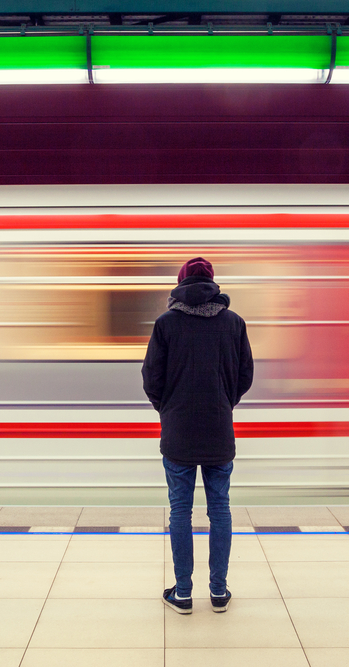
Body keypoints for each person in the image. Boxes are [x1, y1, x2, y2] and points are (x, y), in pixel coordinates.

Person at [142, 257, 253, 614]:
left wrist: (168, 409)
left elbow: (151, 378)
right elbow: (245, 375)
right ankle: (218, 592)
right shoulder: (234, 323)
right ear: (213, 284)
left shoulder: (166, 324)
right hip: (219, 428)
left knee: (180, 511)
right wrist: (224, 402)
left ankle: (184, 593)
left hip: (178, 433)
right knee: (220, 509)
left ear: (180, 283)